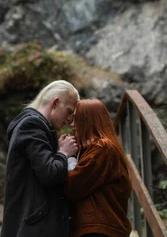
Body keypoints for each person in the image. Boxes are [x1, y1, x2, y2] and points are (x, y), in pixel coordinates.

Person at [1, 80, 80, 237]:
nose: (70, 119)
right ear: (55, 103)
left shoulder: (38, 126)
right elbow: (49, 173)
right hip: (33, 227)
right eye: (69, 111)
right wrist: (63, 153)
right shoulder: (32, 124)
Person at [65, 99, 132, 237]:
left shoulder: (102, 148)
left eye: (76, 119)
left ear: (88, 120)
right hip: (100, 227)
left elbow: (73, 186)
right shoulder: (100, 149)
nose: (72, 125)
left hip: (99, 229)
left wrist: (68, 157)